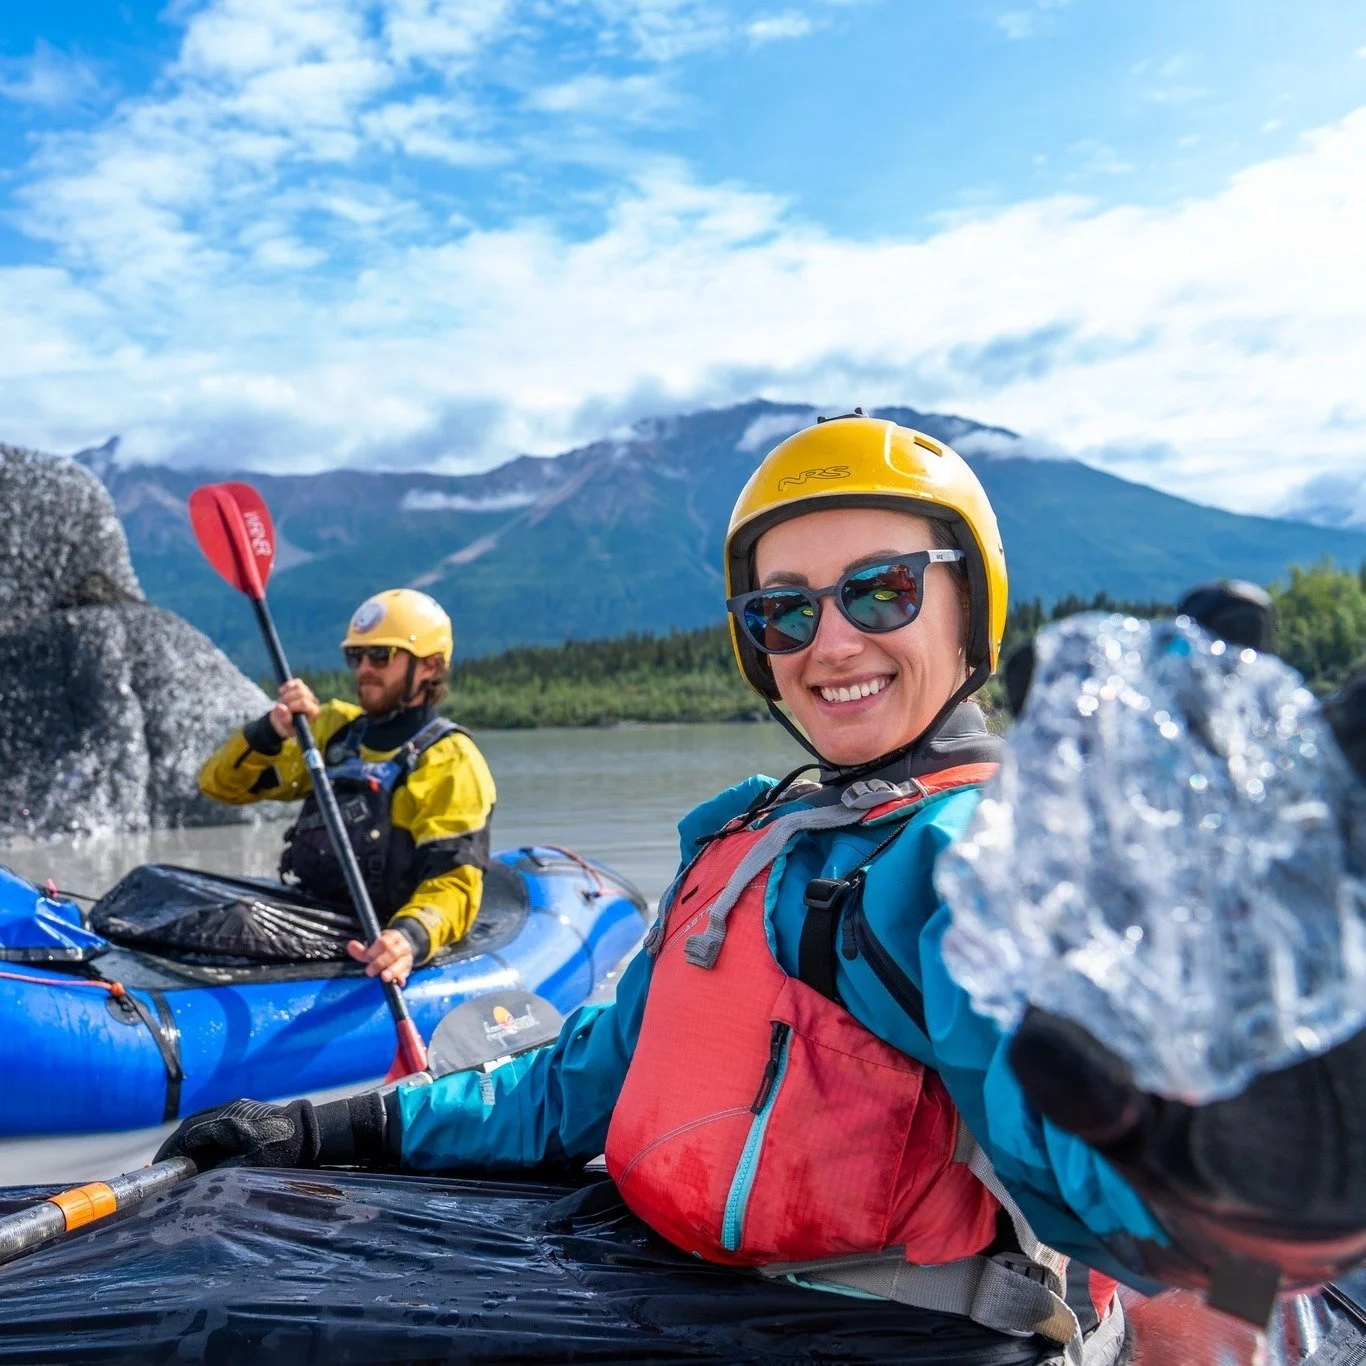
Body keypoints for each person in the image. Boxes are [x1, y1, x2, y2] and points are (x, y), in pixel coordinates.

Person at [164, 416, 1365, 1362]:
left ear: (969, 604)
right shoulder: (752, 833)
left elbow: (1097, 1172)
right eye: (783, 610)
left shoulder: (982, 862)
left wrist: (1242, 1151)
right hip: (681, 1302)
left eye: (882, 590)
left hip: (881, 1334)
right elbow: (584, 1083)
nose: (830, 642)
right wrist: (331, 1125)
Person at [198, 588, 495, 986]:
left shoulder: (449, 760)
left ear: (429, 666)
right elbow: (221, 786)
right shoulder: (333, 733)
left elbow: (455, 882)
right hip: (312, 915)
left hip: (380, 929)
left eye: (381, 656)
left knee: (239, 920)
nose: (364, 669)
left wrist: (409, 937)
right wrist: (270, 731)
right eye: (356, 656)